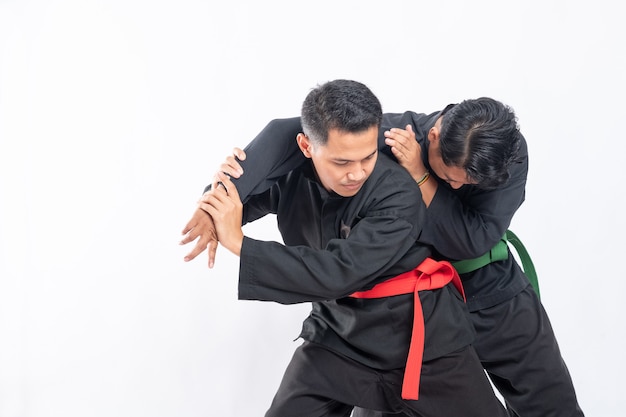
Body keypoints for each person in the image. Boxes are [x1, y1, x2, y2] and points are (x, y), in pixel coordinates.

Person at [181, 95, 584, 417]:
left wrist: (424, 177)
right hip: (403, 311)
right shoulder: (395, 136)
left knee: (550, 404)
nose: (457, 187)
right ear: (437, 134)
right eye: (448, 176)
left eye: (467, 185)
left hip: (490, 293)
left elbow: (473, 239)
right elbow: (293, 134)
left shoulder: (504, 154)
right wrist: (215, 199)